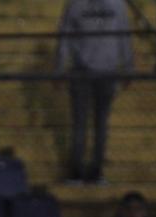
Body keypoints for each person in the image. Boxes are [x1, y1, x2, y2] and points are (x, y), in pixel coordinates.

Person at [56, 0, 133, 184]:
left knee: (84, 124)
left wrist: (58, 68)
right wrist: (128, 67)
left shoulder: (76, 4)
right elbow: (124, 36)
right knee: (97, 124)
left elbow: (65, 37)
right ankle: (92, 172)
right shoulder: (117, 4)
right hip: (100, 70)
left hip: (90, 70)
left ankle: (81, 172)